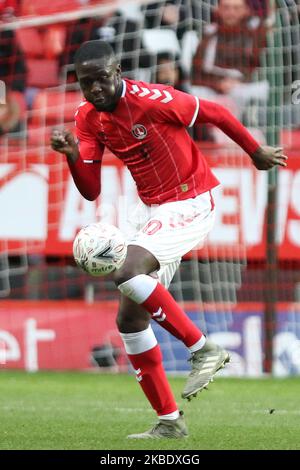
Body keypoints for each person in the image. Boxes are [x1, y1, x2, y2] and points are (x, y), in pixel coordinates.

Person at [51, 40, 287, 439]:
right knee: (129, 318)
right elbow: (90, 190)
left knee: (126, 270)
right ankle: (170, 422)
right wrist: (73, 153)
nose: (95, 90)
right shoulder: (88, 118)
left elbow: (214, 111)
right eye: (86, 83)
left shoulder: (152, 99)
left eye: (102, 80)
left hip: (191, 199)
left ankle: (203, 350)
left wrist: (254, 151)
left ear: (118, 73)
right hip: (149, 209)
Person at [191, 0, 269, 122]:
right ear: (218, 9)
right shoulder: (209, 32)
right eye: (226, 8)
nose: (231, 13)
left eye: (236, 8)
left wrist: (239, 82)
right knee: (194, 93)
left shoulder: (257, 33)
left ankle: (249, 125)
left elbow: (263, 68)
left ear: (246, 10)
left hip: (244, 86)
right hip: (213, 86)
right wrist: (218, 84)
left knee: (253, 91)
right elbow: (196, 70)